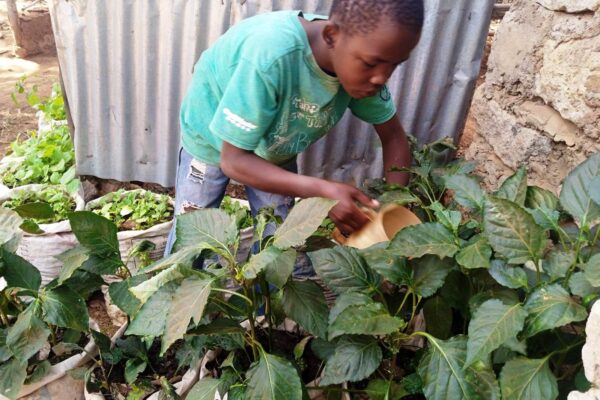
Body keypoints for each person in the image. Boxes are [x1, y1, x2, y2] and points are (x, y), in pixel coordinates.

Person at [164, 0, 424, 256]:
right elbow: (233, 162)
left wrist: (390, 206)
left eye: (394, 65)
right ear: (332, 36)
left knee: (279, 245)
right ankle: (172, 295)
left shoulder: (364, 66)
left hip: (275, 150)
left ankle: (265, 297)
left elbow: (393, 138)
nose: (381, 77)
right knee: (190, 242)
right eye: (371, 63)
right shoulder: (271, 57)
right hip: (212, 141)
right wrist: (321, 192)